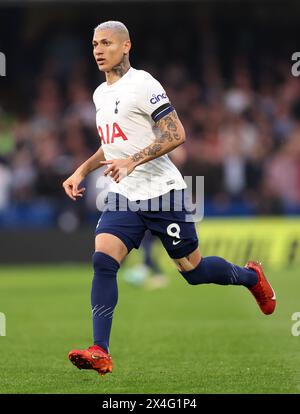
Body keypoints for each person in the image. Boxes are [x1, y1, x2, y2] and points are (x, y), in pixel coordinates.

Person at [62, 21, 276, 376]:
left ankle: (251, 278)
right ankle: (100, 350)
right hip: (124, 195)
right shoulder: (100, 94)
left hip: (163, 195)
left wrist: (132, 161)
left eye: (107, 43)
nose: (98, 50)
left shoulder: (144, 84)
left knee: (193, 271)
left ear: (126, 46)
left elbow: (177, 133)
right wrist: (81, 170)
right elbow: (112, 144)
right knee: (103, 261)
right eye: (95, 44)